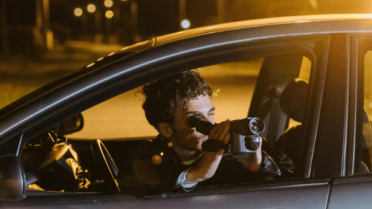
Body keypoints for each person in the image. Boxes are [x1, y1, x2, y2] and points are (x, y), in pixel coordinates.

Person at [118, 70, 290, 196]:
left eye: (211, 113)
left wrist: (260, 167)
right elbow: (128, 192)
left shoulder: (239, 145)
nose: (209, 124)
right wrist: (194, 175)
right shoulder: (147, 155)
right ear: (166, 129)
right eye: (195, 119)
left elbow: (299, 189)